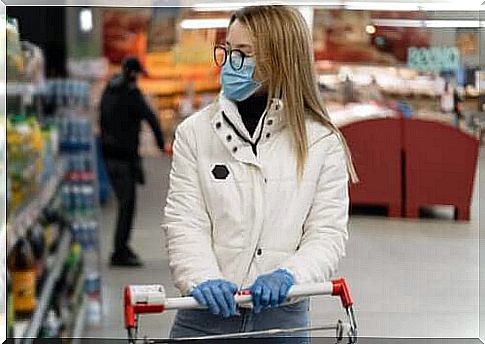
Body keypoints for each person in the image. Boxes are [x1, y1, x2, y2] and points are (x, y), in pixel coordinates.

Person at [162, 6, 358, 342]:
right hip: (204, 315)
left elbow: (326, 232)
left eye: (244, 54)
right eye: (227, 51)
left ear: (279, 59)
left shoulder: (323, 141)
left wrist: (290, 275)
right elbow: (185, 221)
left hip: (283, 318)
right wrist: (203, 277)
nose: (229, 63)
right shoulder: (195, 133)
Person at [100, 57, 170, 267]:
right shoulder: (130, 94)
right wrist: (160, 144)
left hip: (109, 155)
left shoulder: (109, 91)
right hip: (124, 158)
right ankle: (119, 250)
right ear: (132, 73)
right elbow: (151, 117)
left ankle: (122, 246)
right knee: (127, 205)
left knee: (125, 204)